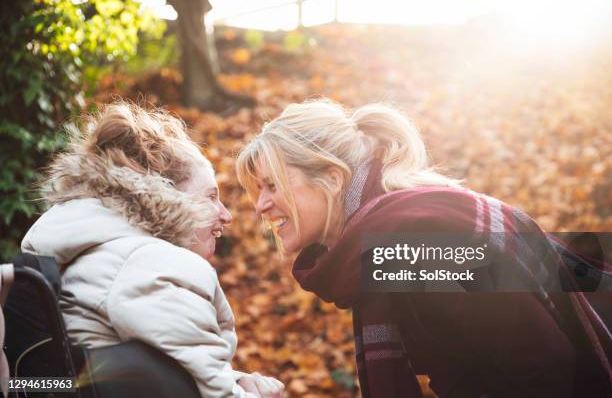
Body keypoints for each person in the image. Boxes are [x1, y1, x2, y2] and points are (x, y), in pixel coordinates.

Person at [235, 99, 611, 397]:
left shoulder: (416, 243)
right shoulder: (383, 243)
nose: (261, 205)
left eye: (273, 186)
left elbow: (542, 366)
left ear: (332, 179)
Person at [21, 102, 284, 398]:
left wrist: (234, 380)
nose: (226, 215)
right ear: (167, 196)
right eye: (210, 196)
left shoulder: (97, 252)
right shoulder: (151, 262)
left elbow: (165, 369)